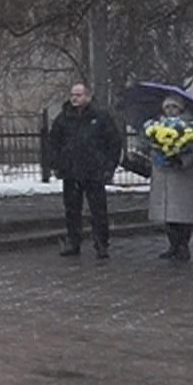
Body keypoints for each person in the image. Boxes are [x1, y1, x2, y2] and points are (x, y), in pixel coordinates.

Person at [43, 82, 122, 259]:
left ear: (88, 96)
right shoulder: (64, 118)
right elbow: (53, 143)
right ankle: (73, 242)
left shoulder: (100, 117)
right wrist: (57, 164)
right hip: (71, 171)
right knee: (72, 210)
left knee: (98, 210)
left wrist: (109, 166)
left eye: (78, 95)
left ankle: (101, 243)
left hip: (94, 171)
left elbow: (114, 142)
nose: (74, 98)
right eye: (72, 95)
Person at [143, 97, 193, 262]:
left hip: (182, 176)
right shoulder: (157, 126)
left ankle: (183, 245)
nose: (170, 110)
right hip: (163, 174)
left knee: (182, 213)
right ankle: (173, 244)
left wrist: (180, 159)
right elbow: (150, 145)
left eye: (174, 107)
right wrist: (157, 153)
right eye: (167, 107)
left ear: (181, 109)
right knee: (167, 212)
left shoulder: (190, 127)